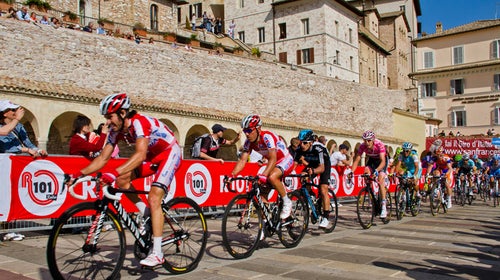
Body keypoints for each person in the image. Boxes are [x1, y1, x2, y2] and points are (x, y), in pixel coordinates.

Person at [67, 93, 181, 267]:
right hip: (153, 157)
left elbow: (140, 154)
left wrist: (113, 173)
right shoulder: (115, 131)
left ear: (122, 113)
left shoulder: (138, 122)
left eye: (110, 117)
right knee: (122, 182)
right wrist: (78, 174)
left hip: (169, 153)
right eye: (106, 118)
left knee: (154, 196)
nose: (108, 122)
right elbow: (102, 158)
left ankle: (157, 253)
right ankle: (147, 214)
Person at [230, 114, 294, 219]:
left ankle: (287, 202)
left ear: (258, 129)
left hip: (285, 160)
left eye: (249, 131)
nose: (247, 134)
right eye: (245, 131)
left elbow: (273, 158)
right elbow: (242, 160)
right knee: (262, 195)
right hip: (273, 163)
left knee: (272, 177)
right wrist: (232, 175)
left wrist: (263, 175)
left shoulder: (267, 137)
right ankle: (264, 227)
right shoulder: (248, 143)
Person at [294, 129, 332, 228]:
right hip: (312, 163)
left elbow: (321, 168)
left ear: (311, 143)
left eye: (305, 143)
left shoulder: (318, 148)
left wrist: (313, 172)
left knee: (323, 189)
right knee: (303, 177)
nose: (302, 145)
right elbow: (293, 165)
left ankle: (326, 217)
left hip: (324, 164)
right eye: (300, 142)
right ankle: (311, 196)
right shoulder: (299, 149)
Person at [348, 130, 389, 218]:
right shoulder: (362, 146)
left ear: (373, 140)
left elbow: (383, 162)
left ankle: (384, 206)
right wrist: (351, 172)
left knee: (380, 179)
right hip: (372, 160)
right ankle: (372, 192)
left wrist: (377, 171)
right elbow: (357, 160)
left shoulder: (379, 145)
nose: (367, 142)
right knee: (366, 171)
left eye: (369, 140)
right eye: (365, 140)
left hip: (381, 161)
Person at [425, 140, 454, 208]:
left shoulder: (446, 158)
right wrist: (427, 174)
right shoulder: (434, 158)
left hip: (447, 170)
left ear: (442, 153)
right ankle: (436, 188)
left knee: (446, 184)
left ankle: (449, 200)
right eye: (437, 154)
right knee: (435, 173)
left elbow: (450, 168)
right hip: (440, 169)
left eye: (440, 155)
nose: (439, 156)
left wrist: (446, 174)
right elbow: (430, 166)